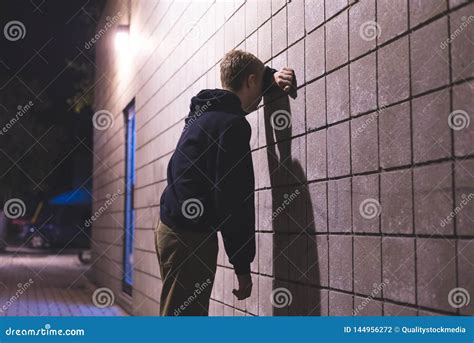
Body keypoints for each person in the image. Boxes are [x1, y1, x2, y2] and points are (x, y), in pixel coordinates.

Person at [155, 49, 296, 316]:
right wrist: (242, 266)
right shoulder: (232, 125)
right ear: (251, 81)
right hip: (188, 237)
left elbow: (244, 72)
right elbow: (234, 199)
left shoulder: (205, 113)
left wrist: (268, 76)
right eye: (258, 81)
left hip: (171, 228)